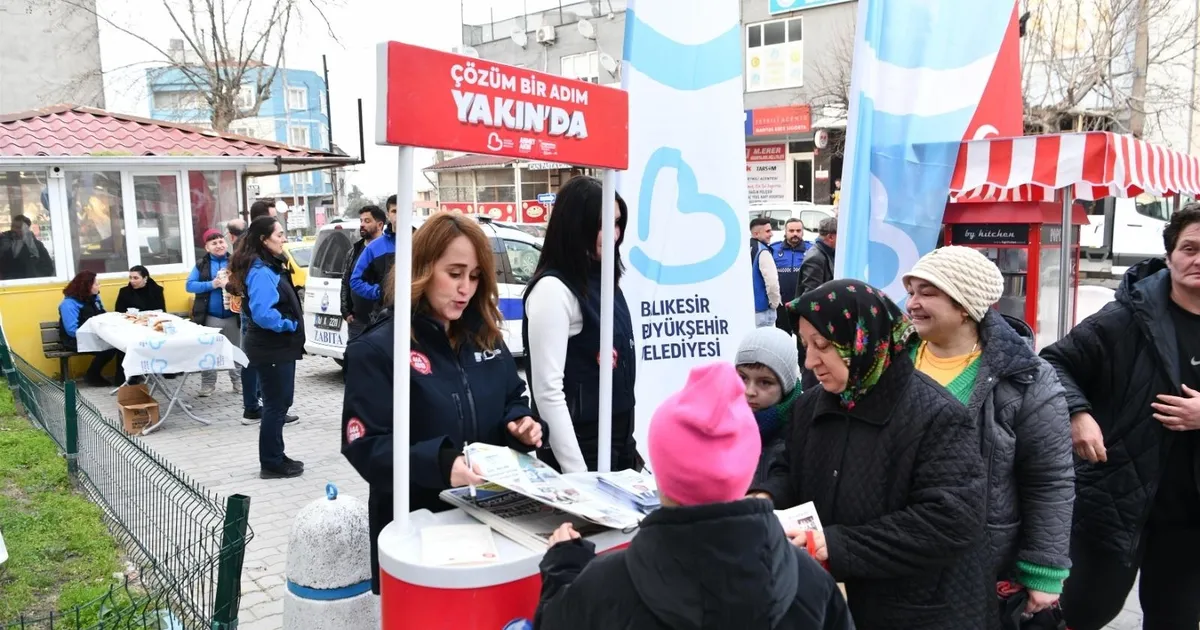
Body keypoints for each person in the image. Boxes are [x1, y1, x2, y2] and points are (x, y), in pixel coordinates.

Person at [534, 362, 852, 630]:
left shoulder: (604, 586)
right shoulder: (809, 583)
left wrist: (563, 569)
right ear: (744, 468)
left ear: (661, 470)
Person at [752, 278, 989, 630]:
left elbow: (949, 521)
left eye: (822, 345)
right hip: (828, 603)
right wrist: (766, 496)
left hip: (914, 611)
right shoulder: (809, 406)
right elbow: (791, 467)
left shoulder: (938, 416)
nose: (811, 360)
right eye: (805, 345)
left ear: (863, 342)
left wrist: (835, 545)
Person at [340, 212, 548, 593]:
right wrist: (439, 463)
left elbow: (511, 399)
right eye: (454, 273)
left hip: (494, 525)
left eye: (474, 276)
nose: (465, 288)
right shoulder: (379, 348)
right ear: (422, 269)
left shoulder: (484, 335)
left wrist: (521, 424)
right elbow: (364, 444)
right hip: (418, 534)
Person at [1040, 205, 1200, 630]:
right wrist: (1077, 413)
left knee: (1176, 619)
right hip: (1114, 503)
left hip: (1190, 520)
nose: (1198, 259)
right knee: (1080, 614)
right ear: (1170, 256)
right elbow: (1054, 363)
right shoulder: (1125, 319)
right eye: (1189, 248)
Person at [903, 246, 1074, 620]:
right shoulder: (893, 362)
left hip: (982, 566)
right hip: (899, 556)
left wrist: (1044, 572)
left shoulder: (1026, 376)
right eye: (911, 291)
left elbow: (1049, 478)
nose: (912, 303)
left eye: (927, 293)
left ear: (965, 305)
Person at [523, 176, 638, 473]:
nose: (612, 235)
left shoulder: (606, 279)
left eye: (617, 223)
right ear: (575, 226)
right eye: (602, 225)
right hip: (581, 450)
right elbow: (548, 391)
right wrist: (578, 475)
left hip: (620, 442)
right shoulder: (553, 290)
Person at [229, 216, 306, 480]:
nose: (284, 239)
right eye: (279, 235)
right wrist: (288, 325)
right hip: (271, 347)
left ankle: (276, 455)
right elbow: (263, 314)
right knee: (275, 406)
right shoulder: (261, 270)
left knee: (280, 403)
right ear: (264, 239)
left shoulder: (269, 264)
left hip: (276, 348)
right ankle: (271, 463)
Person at [736, 326, 802, 483]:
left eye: (765, 382)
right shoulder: (718, 427)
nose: (750, 391)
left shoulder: (800, 433)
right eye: (742, 378)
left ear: (785, 388)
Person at [186, 228, 241, 397]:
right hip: (210, 316)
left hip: (233, 315)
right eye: (214, 243)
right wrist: (212, 284)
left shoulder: (236, 261)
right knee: (208, 351)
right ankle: (208, 384)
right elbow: (189, 285)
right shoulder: (201, 264)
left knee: (237, 350)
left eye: (221, 242)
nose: (219, 245)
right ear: (207, 247)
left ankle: (239, 383)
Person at [790, 217, 838, 386]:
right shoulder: (817, 257)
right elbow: (811, 295)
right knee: (812, 364)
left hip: (820, 321)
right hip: (815, 323)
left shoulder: (825, 253)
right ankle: (808, 397)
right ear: (831, 237)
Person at [58, 270, 120, 387]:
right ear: (86, 286)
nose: (99, 286)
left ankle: (121, 377)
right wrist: (96, 336)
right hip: (75, 340)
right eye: (96, 284)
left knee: (116, 344)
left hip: (96, 335)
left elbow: (102, 315)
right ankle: (92, 375)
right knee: (109, 348)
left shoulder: (95, 298)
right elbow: (72, 331)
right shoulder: (69, 304)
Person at [341, 205, 386, 340]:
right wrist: (346, 311)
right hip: (357, 320)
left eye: (367, 221)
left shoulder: (388, 250)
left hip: (382, 319)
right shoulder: (354, 251)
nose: (362, 225)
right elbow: (346, 281)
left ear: (379, 224)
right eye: (361, 221)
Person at [350, 195, 397, 320]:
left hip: (417, 316)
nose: (399, 215)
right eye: (394, 211)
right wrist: (379, 292)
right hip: (385, 317)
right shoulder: (375, 247)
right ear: (388, 215)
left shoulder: (421, 242)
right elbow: (355, 280)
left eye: (403, 210)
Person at [772, 218, 809, 335]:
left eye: (798, 231)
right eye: (791, 230)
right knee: (782, 339)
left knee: (803, 340)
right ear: (785, 232)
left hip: (803, 303)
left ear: (803, 232)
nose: (795, 234)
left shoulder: (811, 249)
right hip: (782, 304)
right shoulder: (774, 249)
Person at [750, 217, 781, 328]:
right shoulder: (763, 251)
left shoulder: (745, 248)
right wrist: (774, 303)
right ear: (756, 233)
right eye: (767, 231)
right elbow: (772, 282)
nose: (771, 234)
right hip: (763, 310)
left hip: (749, 308)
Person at [0, 215, 53, 280]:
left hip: (28, 283)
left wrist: (37, 278)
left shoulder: (36, 246)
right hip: (7, 283)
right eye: (12, 226)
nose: (13, 229)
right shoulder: (4, 241)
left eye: (18, 227)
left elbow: (48, 267)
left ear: (26, 229)